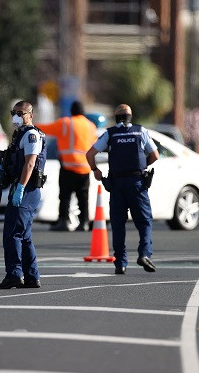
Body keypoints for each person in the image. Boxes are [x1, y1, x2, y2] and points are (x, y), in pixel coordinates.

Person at [86, 104, 159, 275]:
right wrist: (142, 166)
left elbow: (89, 154)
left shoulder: (110, 134)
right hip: (137, 183)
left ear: (116, 118)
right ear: (130, 117)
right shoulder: (141, 131)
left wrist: (95, 170)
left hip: (117, 185)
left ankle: (120, 263)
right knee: (144, 221)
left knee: (118, 225)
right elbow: (154, 155)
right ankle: (144, 254)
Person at [0, 101, 46, 289]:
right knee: (24, 235)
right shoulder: (19, 134)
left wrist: (21, 188)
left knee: (13, 234)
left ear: (30, 115)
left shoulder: (31, 135)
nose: (16, 116)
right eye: (14, 113)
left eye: (21, 113)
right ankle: (32, 277)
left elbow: (30, 164)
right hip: (22, 188)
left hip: (27, 190)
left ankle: (14, 274)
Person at [37, 100, 97, 231]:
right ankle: (84, 223)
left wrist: (29, 125)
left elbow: (45, 129)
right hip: (85, 168)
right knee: (83, 197)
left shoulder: (65, 123)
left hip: (68, 166)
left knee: (65, 196)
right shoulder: (91, 126)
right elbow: (95, 144)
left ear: (71, 111)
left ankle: (63, 221)